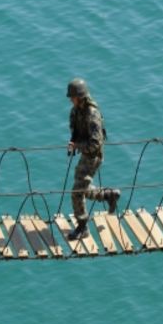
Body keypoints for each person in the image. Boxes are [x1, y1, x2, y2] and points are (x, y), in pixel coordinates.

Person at [65, 78, 121, 240]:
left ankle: (83, 227)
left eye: (72, 97)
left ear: (80, 97)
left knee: (76, 192)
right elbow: (75, 131)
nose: (70, 100)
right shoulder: (75, 111)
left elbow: (96, 143)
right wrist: (73, 142)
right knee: (82, 188)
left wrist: (78, 146)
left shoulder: (92, 114)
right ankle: (108, 195)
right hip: (85, 154)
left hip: (94, 156)